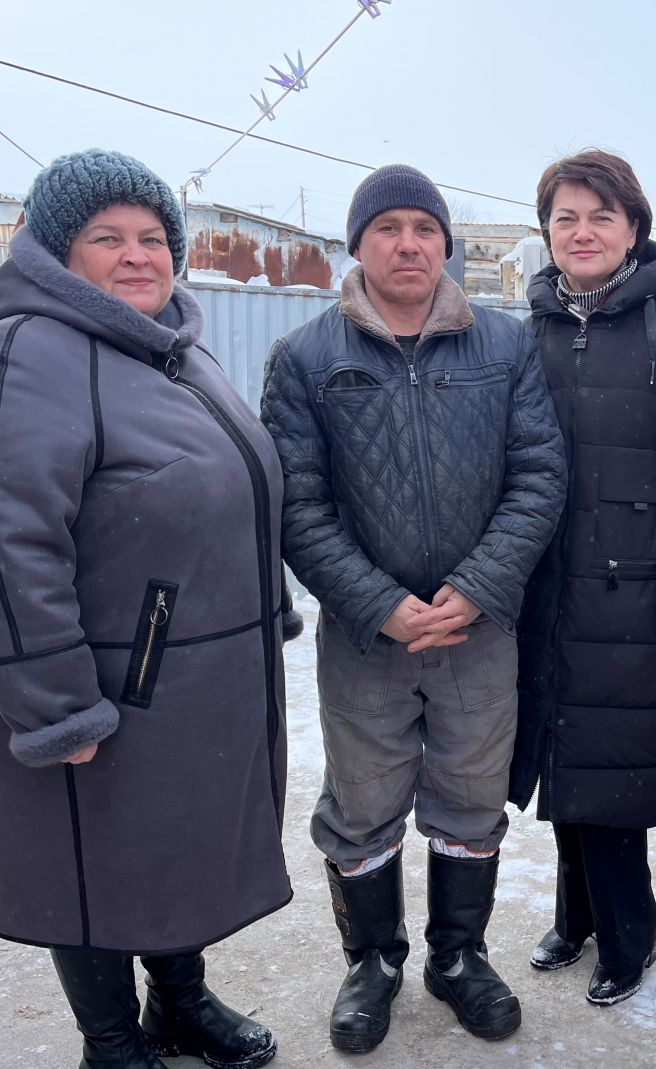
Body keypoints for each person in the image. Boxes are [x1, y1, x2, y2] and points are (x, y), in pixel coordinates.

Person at [260, 164, 566, 1050]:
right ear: (357, 244)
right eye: (387, 228)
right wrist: (379, 602)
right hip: (368, 637)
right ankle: (373, 962)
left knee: (472, 794)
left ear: (446, 245)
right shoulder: (306, 358)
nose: (407, 244)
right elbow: (297, 504)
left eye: (424, 228)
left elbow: (539, 475)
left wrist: (477, 587)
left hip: (479, 628)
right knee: (362, 801)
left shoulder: (503, 346)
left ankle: (458, 957)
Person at [0, 149, 290, 1069]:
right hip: (97, 680)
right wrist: (56, 705)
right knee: (91, 865)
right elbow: (12, 540)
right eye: (108, 237)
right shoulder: (33, 350)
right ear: (57, 251)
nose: (138, 255)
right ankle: (113, 1042)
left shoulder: (173, 347)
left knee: (171, 849)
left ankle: (178, 1003)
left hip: (182, 674)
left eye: (154, 236)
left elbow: (232, 492)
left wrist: (264, 609)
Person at [510, 149, 656, 1006]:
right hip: (547, 593)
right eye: (565, 217)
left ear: (633, 227)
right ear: (546, 232)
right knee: (562, 757)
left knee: (613, 775)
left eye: (601, 216)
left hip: (639, 595)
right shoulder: (528, 330)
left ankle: (627, 938)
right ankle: (574, 918)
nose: (583, 232)